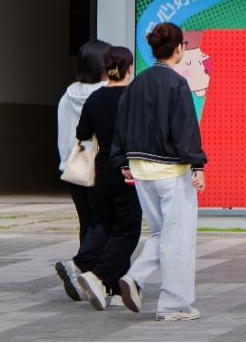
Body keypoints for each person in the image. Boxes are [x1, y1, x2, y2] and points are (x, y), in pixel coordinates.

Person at [110, 23, 207, 321]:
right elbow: (185, 127)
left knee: (162, 232)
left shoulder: (136, 83)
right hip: (171, 171)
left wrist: (123, 162)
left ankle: (136, 277)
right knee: (178, 238)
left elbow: (122, 124)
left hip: (141, 171)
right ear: (178, 48)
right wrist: (197, 164)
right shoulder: (176, 83)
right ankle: (172, 304)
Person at [72, 46, 143, 310]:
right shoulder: (134, 97)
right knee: (129, 228)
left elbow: (82, 132)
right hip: (127, 167)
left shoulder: (94, 98)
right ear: (129, 68)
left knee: (112, 227)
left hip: (101, 169)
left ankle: (112, 289)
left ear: (106, 68)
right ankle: (98, 275)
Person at [54, 39, 109, 302]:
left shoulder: (68, 96)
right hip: (99, 166)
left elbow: (64, 134)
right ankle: (82, 268)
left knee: (87, 223)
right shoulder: (105, 94)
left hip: (73, 167)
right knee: (107, 223)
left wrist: (66, 161)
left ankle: (85, 279)